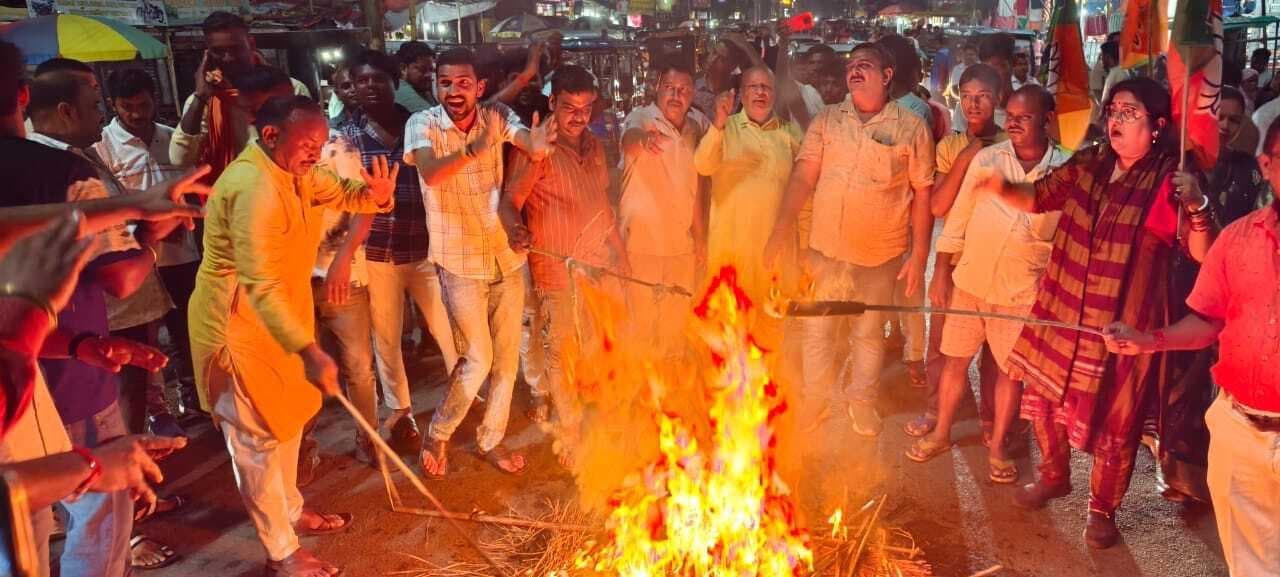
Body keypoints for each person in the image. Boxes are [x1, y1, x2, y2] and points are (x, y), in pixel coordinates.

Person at [995, 77, 1216, 549]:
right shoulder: (1092, 161)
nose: (1116, 120)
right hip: (1062, 304)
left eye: (1130, 113)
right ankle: (1054, 475)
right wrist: (992, 185)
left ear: (1157, 126)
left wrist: (1196, 203)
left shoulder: (1167, 179)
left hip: (1123, 322)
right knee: (1044, 400)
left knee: (1115, 421)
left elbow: (1201, 251)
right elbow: (1038, 198)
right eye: (1114, 110)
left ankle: (1102, 510)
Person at [189, 96, 396, 577]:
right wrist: (307, 348)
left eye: (321, 145)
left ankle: (292, 512)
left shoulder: (297, 171)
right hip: (238, 327)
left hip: (282, 321)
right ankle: (281, 551)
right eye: (309, 145)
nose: (316, 155)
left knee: (287, 423)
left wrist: (377, 196)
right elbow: (258, 283)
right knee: (257, 440)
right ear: (270, 136)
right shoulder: (252, 186)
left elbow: (342, 190)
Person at [26, 57, 197, 577]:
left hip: (48, 353)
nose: (101, 116)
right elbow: (119, 277)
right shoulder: (63, 170)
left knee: (22, 516)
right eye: (95, 104)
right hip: (63, 365)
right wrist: (151, 233)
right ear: (58, 108)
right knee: (99, 497)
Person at [1103, 120, 1280, 576]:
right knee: (1252, 563)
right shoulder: (1238, 240)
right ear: (1268, 165)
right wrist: (1148, 341)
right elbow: (1207, 319)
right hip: (1239, 429)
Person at [764, 42, 935, 436]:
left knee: (868, 335)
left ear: (887, 75)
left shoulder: (910, 127)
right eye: (851, 66)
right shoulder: (827, 121)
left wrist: (919, 255)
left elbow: (922, 194)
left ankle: (861, 402)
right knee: (818, 332)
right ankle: (816, 401)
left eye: (865, 65)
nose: (855, 71)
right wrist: (781, 228)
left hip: (879, 256)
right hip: (825, 252)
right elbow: (805, 176)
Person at [908, 85, 1069, 485]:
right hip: (971, 282)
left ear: (1047, 121)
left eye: (1024, 116)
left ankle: (997, 446)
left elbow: (1068, 241)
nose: (1012, 122)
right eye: (1010, 114)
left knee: (1008, 375)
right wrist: (940, 273)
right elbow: (957, 220)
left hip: (1021, 293)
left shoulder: (1067, 172)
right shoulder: (986, 159)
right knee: (954, 362)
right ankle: (942, 432)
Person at [404, 47, 553, 478]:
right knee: (478, 359)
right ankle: (439, 433)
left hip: (505, 257)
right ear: (436, 85)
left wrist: (536, 145)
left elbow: (527, 140)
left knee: (507, 363)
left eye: (463, 82)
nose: (453, 90)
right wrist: (476, 149)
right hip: (459, 262)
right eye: (445, 82)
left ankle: (491, 439)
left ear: (479, 87)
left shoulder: (496, 115)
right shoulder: (423, 124)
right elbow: (431, 173)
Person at [326, 49, 457, 456]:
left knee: (447, 331)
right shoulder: (341, 136)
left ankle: (461, 401)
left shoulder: (418, 125)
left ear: (393, 82)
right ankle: (401, 415)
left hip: (424, 249)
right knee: (387, 341)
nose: (369, 87)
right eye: (361, 81)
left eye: (377, 80)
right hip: (377, 254)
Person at [498, 64, 628, 467]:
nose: (578, 116)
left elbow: (603, 205)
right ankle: (570, 434)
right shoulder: (535, 150)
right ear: (552, 102)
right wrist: (515, 231)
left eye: (586, 108)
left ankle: (600, 422)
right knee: (561, 353)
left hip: (598, 267)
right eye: (570, 107)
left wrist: (622, 256)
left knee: (601, 348)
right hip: (557, 273)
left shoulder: (593, 146)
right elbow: (509, 203)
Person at [904, 63, 1006, 440]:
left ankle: (993, 421)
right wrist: (969, 155)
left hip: (1000, 262)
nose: (974, 104)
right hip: (955, 259)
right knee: (943, 346)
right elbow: (938, 206)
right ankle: (936, 410)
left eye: (982, 97)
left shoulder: (1013, 143)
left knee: (998, 354)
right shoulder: (950, 146)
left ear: (997, 99)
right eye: (967, 97)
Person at [94, 68, 198, 436]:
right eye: (128, 107)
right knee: (146, 344)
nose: (137, 113)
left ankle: (193, 402)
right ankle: (157, 413)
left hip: (182, 257)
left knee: (187, 333)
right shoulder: (101, 149)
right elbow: (108, 213)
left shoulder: (173, 140)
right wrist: (148, 232)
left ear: (155, 99)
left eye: (143, 104)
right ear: (113, 106)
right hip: (139, 262)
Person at [619, 62, 709, 362]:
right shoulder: (642, 117)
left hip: (680, 248)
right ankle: (636, 397)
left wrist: (700, 238)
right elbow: (628, 140)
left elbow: (694, 187)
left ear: (692, 93)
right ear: (658, 87)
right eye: (670, 88)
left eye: (683, 90)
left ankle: (668, 397)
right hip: (641, 246)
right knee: (641, 327)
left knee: (674, 328)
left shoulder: (696, 124)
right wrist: (644, 141)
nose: (676, 95)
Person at [695, 66, 804, 299]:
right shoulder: (724, 128)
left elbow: (804, 188)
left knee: (773, 326)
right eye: (753, 87)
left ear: (774, 94)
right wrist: (718, 124)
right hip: (732, 253)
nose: (760, 93)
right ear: (742, 94)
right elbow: (703, 165)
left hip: (776, 253)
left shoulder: (790, 133)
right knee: (734, 328)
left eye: (766, 87)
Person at [170, 11, 310, 179]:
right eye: (218, 51)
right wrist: (200, 97)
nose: (228, 58)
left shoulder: (290, 89)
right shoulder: (204, 101)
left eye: (235, 48)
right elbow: (179, 159)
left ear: (251, 44)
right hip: (229, 198)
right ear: (207, 54)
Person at [1213, 86, 1265, 224]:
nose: (1225, 125)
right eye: (1220, 117)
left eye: (1234, 120)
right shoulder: (1185, 161)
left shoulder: (1250, 167)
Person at [395, 41, 437, 113]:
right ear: (403, 68)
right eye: (422, 70)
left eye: (430, 70)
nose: (428, 75)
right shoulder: (404, 93)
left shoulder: (420, 89)